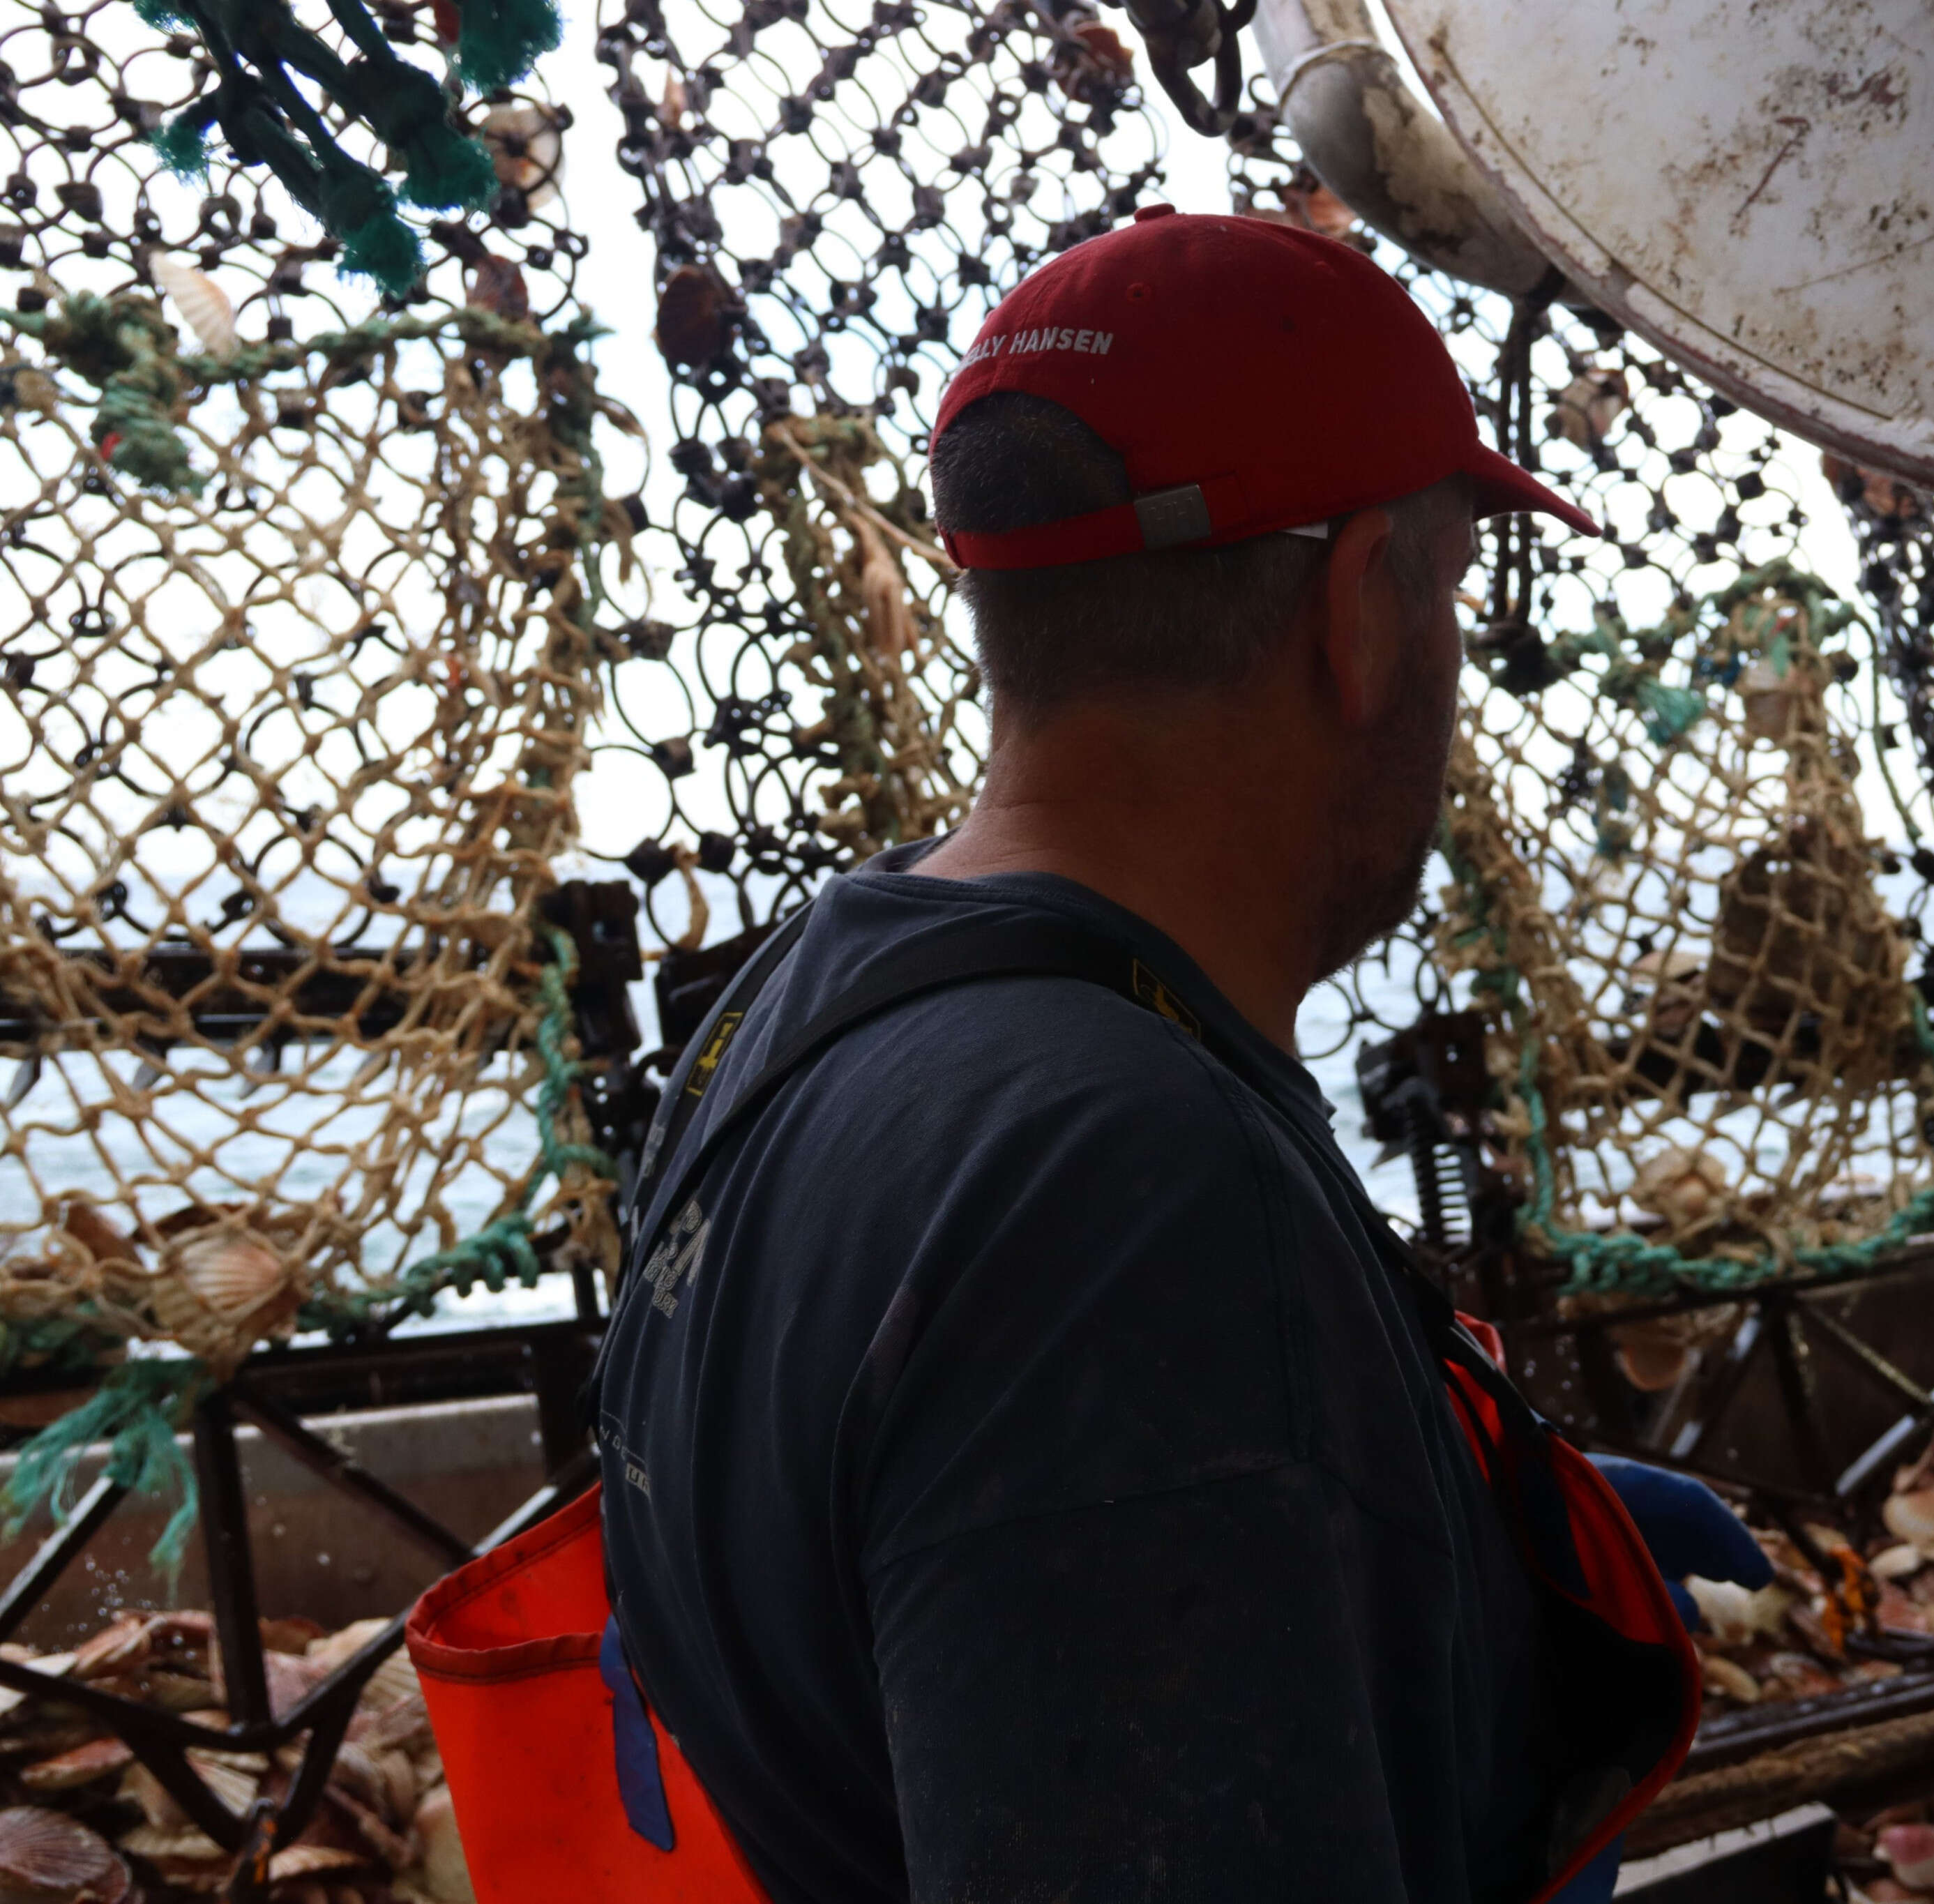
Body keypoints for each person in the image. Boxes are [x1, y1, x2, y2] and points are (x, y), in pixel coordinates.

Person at [573, 208, 1772, 1903]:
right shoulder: (1122, 1193)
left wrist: (1454, 1563)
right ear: (1359, 610)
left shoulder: (796, 1018)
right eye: (1441, 584)